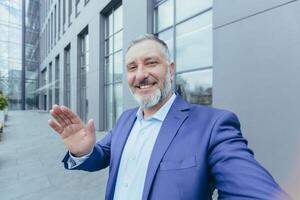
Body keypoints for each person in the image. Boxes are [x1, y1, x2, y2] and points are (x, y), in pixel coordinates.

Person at [48, 34, 289, 200]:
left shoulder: (213, 126)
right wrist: (83, 152)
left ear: (170, 70)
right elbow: (102, 156)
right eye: (132, 67)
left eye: (151, 63)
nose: (141, 75)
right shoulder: (125, 119)